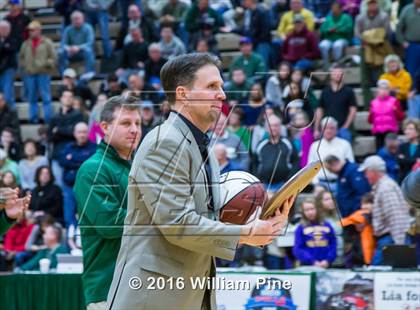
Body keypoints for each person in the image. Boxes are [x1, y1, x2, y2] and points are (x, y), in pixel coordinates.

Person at [106, 53, 295, 310]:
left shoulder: (202, 146)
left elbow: (212, 221)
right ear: (183, 94)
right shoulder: (164, 142)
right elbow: (178, 224)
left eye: (221, 86)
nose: (223, 95)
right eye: (212, 87)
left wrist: (262, 224)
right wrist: (247, 233)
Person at [74, 95, 142, 309]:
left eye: (137, 123)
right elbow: (110, 224)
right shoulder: (93, 169)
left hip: (139, 285)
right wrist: (161, 216)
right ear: (104, 127)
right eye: (125, 123)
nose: (134, 129)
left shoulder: (135, 169)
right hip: (108, 289)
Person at [359, 155, 412, 265]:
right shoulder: (384, 186)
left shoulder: (385, 188)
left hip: (391, 240)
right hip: (389, 239)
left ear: (373, 171)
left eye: (366, 172)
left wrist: (400, 247)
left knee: (377, 274)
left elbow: (396, 217)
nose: (365, 176)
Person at [58, 122, 96, 228]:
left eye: (84, 132)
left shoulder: (94, 148)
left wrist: (72, 160)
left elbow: (91, 165)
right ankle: (71, 242)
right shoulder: (68, 147)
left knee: (88, 216)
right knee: (69, 217)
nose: (82, 135)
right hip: (69, 187)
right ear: (75, 134)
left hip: (87, 188)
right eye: (79, 132)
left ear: (88, 133)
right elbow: (62, 161)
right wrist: (81, 162)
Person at [19, 21, 56, 124]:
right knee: (32, 98)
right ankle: (33, 119)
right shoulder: (26, 43)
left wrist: (45, 63)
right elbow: (21, 57)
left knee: (46, 97)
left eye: (33, 30)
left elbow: (53, 57)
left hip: (43, 73)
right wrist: (25, 66)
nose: (31, 32)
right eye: (29, 30)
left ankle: (48, 119)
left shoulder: (47, 42)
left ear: (39, 30)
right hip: (30, 74)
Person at [48, 90, 84, 188]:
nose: (68, 98)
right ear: (61, 99)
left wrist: (59, 130)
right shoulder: (54, 117)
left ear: (73, 99)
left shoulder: (78, 115)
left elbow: (76, 132)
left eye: (70, 96)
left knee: (75, 186)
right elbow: (49, 137)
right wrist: (68, 130)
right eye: (65, 96)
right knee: (59, 186)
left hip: (73, 155)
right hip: (57, 154)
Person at [308, 117, 355, 191]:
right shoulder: (315, 146)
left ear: (336, 129)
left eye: (331, 128)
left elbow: (351, 165)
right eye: (325, 128)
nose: (328, 131)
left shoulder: (345, 144)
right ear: (321, 130)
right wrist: (316, 183)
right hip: (320, 184)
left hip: (340, 183)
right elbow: (310, 168)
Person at [255, 114, 299, 192]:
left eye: (276, 125)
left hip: (284, 185)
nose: (273, 128)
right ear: (266, 128)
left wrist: (289, 181)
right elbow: (254, 165)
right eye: (270, 126)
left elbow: (295, 162)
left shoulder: (288, 143)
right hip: (264, 186)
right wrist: (258, 183)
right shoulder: (260, 145)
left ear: (280, 127)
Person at [315, 66, 357, 142]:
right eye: (335, 73)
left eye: (340, 73)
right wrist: (316, 128)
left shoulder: (349, 91)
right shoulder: (325, 92)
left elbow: (353, 110)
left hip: (343, 128)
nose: (337, 75)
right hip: (327, 128)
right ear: (330, 75)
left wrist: (345, 127)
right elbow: (319, 110)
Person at [293, 198, 337, 267]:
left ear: (318, 209)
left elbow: (333, 244)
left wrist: (328, 260)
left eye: (312, 209)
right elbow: (298, 249)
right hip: (308, 266)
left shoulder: (327, 225)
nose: (310, 212)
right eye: (306, 210)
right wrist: (312, 261)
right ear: (302, 212)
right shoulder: (300, 228)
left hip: (326, 264)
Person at [368, 79, 404, 150]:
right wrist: (371, 113)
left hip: (390, 131)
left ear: (389, 90)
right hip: (378, 132)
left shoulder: (394, 101)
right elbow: (370, 121)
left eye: (386, 89)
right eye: (381, 88)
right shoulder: (373, 102)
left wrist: (396, 110)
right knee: (380, 151)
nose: (383, 91)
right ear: (378, 90)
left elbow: (401, 117)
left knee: (392, 150)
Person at [341, 193, 376, 265]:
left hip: (371, 255)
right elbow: (344, 222)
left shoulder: (377, 217)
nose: (364, 206)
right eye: (363, 204)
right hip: (358, 255)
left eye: (368, 203)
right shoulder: (359, 215)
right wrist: (354, 225)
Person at [58, 11, 95, 75]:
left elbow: (90, 43)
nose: (77, 21)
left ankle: (88, 74)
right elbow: (63, 44)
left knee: (89, 51)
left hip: (82, 52)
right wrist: (68, 48)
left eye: (78, 18)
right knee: (60, 52)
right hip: (71, 52)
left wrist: (79, 47)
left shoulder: (88, 28)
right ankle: (64, 76)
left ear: (83, 19)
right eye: (75, 19)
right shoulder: (68, 29)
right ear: (72, 20)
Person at [319, 2, 353, 66]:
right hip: (329, 39)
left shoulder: (346, 17)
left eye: (336, 8)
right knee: (322, 45)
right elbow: (322, 29)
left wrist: (338, 30)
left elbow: (349, 29)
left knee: (337, 45)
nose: (334, 10)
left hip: (342, 39)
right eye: (332, 8)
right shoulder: (328, 18)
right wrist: (329, 30)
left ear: (340, 9)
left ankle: (337, 63)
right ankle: (326, 64)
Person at [316, 190, 344, 267]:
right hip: (325, 259)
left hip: (341, 256)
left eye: (332, 198)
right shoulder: (318, 218)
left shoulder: (338, 214)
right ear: (319, 202)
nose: (331, 201)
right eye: (326, 199)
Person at [396, 0, 420, 79]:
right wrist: (402, 42)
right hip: (412, 45)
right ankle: (411, 90)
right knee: (411, 71)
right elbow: (399, 28)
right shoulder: (407, 10)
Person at [0, 20, 17, 109]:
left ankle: (11, 115)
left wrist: (3, 46)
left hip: (7, 69)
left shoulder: (12, 40)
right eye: (2, 29)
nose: (4, 31)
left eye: (6, 29)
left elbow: (9, 50)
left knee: (8, 94)